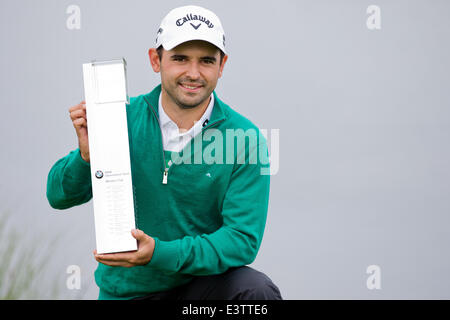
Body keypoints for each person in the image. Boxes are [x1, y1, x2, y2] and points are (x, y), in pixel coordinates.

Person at [46, 5, 282, 300]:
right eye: (180, 58)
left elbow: (241, 240)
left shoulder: (246, 140)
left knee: (256, 293)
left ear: (222, 66)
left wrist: (159, 253)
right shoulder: (122, 117)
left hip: (200, 293)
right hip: (127, 294)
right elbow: (58, 196)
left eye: (206, 61)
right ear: (155, 60)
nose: (193, 73)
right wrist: (86, 159)